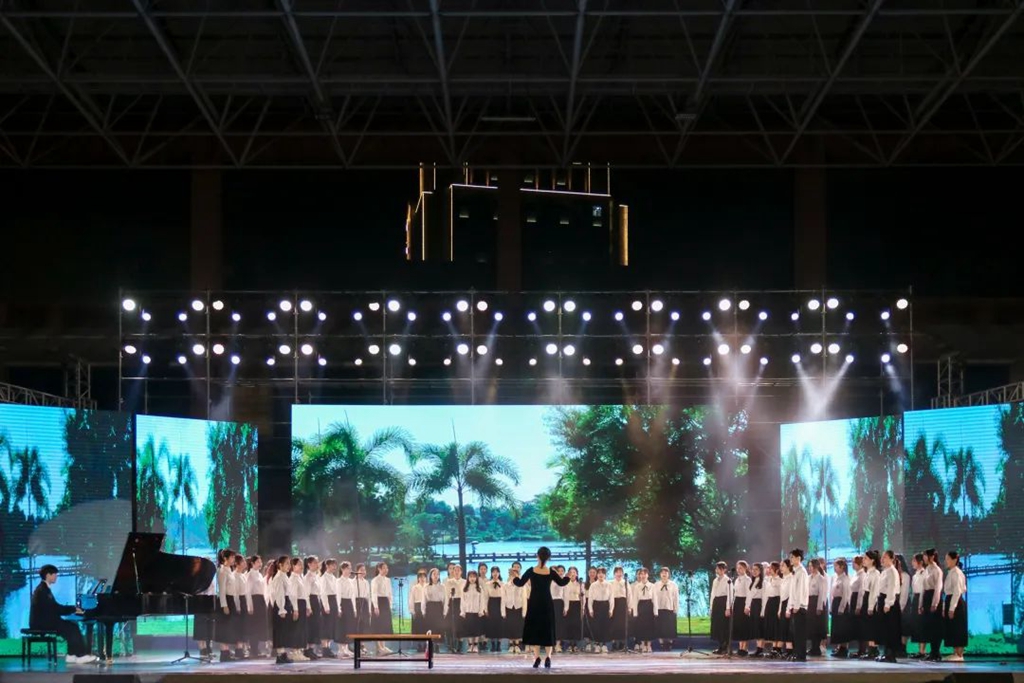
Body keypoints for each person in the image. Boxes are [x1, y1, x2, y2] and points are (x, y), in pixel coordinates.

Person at [513, 546, 571, 668]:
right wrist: (568, 576)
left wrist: (515, 576)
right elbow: (562, 583)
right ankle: (548, 657)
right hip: (546, 603)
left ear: (537, 556)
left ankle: (537, 657)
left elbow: (520, 583)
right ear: (549, 558)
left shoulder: (531, 570)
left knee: (535, 630)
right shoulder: (551, 572)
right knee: (547, 629)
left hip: (534, 603)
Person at [30, 564, 95, 665]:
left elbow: (54, 607)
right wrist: (73, 609)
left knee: (72, 626)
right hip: (42, 622)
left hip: (45, 620)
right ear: (48, 575)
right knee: (72, 627)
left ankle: (71, 655)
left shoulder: (44, 589)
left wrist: (71, 609)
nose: (56, 577)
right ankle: (80, 655)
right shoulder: (42, 590)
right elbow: (55, 608)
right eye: (54, 574)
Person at [876, 550, 902, 663]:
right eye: (882, 557)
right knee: (884, 629)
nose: (882, 559)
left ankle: (891, 654)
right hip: (882, 599)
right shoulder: (885, 571)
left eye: (885, 557)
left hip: (889, 602)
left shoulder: (892, 571)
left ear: (892, 559)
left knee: (890, 628)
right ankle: (886, 653)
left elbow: (891, 589)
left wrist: (888, 604)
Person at [269, 555, 296, 664]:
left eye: (290, 563)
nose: (289, 566)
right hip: (281, 605)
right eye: (287, 563)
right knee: (280, 630)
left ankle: (283, 654)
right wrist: (281, 609)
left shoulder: (284, 576)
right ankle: (280, 655)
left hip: (285, 604)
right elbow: (279, 594)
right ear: (280, 565)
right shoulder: (279, 577)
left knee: (284, 631)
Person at [943, 551, 967, 661]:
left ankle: (959, 654)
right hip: (950, 599)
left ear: (954, 560)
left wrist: (952, 608)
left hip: (956, 601)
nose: (946, 561)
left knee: (958, 627)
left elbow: (957, 591)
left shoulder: (957, 573)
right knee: (952, 627)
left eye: (948, 559)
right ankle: (955, 652)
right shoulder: (951, 572)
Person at [920, 548, 944, 662]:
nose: (924, 558)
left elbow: (938, 588)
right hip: (926, 597)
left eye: (925, 555)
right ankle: (932, 652)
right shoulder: (926, 569)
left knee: (935, 626)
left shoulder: (937, 570)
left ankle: (936, 652)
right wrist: (920, 604)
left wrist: (935, 603)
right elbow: (923, 588)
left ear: (932, 557)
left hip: (934, 597)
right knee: (928, 626)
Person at [246, 555, 271, 659]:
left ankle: (257, 649)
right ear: (252, 563)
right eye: (258, 562)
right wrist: (250, 606)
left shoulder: (259, 574)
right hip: (254, 600)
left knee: (260, 626)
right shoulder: (250, 574)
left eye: (261, 562)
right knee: (254, 626)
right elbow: (248, 591)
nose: (260, 564)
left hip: (261, 601)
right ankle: (253, 650)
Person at [215, 549, 237, 661]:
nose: (233, 559)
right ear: (225, 558)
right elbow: (222, 589)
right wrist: (224, 605)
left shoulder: (229, 570)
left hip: (231, 599)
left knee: (229, 627)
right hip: (225, 600)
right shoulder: (222, 570)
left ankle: (227, 652)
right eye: (232, 557)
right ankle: (224, 653)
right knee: (224, 627)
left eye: (234, 557)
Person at [788, 548, 809, 662]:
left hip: (800, 607)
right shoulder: (795, 571)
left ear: (798, 558)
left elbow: (800, 590)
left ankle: (801, 655)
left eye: (792, 557)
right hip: (794, 606)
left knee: (800, 633)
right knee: (794, 632)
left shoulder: (802, 571)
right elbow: (792, 591)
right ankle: (796, 653)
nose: (790, 559)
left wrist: (796, 606)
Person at [829, 558, 852, 658]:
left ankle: (844, 648)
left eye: (836, 566)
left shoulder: (845, 578)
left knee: (842, 627)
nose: (834, 568)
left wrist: (841, 608)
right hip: (836, 602)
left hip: (841, 603)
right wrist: (831, 607)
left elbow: (846, 595)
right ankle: (839, 647)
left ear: (842, 567)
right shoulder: (836, 578)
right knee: (837, 627)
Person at [630, 567, 656, 653]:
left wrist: (655, 611)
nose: (643, 575)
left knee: (649, 626)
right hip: (641, 605)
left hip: (649, 605)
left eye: (645, 574)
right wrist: (635, 612)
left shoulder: (652, 586)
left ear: (647, 575)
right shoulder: (637, 586)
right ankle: (643, 644)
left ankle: (649, 645)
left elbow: (655, 599)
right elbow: (635, 600)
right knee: (641, 626)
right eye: (641, 574)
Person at [861, 550, 881, 660]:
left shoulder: (876, 574)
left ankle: (874, 650)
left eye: (866, 558)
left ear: (872, 560)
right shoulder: (867, 573)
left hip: (871, 600)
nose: (863, 560)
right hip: (866, 599)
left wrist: (871, 606)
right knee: (868, 626)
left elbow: (874, 591)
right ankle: (870, 649)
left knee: (872, 626)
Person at [370, 562, 394, 655]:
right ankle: (379, 647)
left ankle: (383, 646)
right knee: (378, 625)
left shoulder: (388, 580)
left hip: (385, 602)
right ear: (379, 569)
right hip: (378, 602)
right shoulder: (375, 580)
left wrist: (390, 605)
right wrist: (376, 606)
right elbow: (374, 593)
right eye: (384, 568)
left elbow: (390, 593)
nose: (386, 570)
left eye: (387, 568)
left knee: (384, 625)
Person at [503, 566, 527, 654]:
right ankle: (510, 645)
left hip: (518, 607)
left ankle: (517, 645)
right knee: (510, 626)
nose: (513, 575)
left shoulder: (522, 585)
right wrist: (503, 612)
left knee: (518, 627)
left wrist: (524, 611)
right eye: (511, 574)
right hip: (509, 607)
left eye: (515, 574)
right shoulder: (505, 585)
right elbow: (503, 599)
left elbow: (524, 598)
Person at [460, 570, 486, 653]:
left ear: (476, 578)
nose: (472, 578)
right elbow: (462, 601)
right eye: (470, 577)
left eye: (474, 577)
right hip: (468, 611)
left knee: (476, 630)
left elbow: (482, 601)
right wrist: (463, 611)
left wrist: (481, 611)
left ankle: (475, 645)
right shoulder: (465, 588)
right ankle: (470, 645)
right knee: (469, 630)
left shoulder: (479, 588)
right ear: (468, 578)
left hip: (477, 612)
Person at [587, 567, 612, 654]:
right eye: (599, 573)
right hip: (596, 605)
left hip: (605, 605)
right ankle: (597, 645)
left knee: (605, 625)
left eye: (602, 573)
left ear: (605, 575)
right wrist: (590, 609)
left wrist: (611, 609)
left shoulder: (609, 584)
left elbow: (611, 598)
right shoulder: (593, 585)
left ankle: (604, 645)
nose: (601, 575)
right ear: (597, 575)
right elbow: (590, 598)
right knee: (596, 626)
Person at [709, 561, 732, 655]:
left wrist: (728, 608)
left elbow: (730, 595)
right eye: (717, 568)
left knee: (723, 625)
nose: (717, 570)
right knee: (717, 625)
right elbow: (712, 594)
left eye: (719, 569)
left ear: (724, 570)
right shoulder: (715, 580)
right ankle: (720, 646)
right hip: (716, 602)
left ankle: (725, 647)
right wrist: (711, 607)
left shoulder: (728, 580)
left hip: (723, 602)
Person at [654, 567, 678, 652]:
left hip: (669, 609)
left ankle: (669, 643)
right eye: (662, 573)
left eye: (666, 573)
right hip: (659, 609)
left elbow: (676, 598)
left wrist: (675, 608)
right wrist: (655, 609)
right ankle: (662, 644)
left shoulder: (673, 585)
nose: (664, 574)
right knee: (660, 627)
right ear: (660, 574)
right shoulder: (656, 585)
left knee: (669, 628)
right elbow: (654, 598)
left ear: (668, 574)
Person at [807, 558, 829, 656]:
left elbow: (822, 594)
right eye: (809, 566)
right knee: (811, 626)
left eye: (811, 566)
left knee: (817, 626)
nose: (809, 568)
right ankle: (813, 647)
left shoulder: (821, 578)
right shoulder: (808, 577)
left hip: (817, 602)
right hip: (809, 602)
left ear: (816, 566)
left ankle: (816, 648)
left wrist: (819, 607)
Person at [336, 561, 357, 659]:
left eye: (350, 568)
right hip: (343, 603)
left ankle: (346, 648)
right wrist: (339, 608)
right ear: (342, 569)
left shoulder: (351, 581)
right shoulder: (339, 581)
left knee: (349, 626)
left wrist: (354, 609)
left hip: (349, 604)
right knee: (342, 626)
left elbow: (353, 596)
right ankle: (341, 649)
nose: (349, 570)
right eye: (348, 568)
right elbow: (338, 595)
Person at [318, 559, 339, 658]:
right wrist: (326, 606)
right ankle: (324, 648)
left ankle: (328, 648)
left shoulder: (333, 577)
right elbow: (323, 593)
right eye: (332, 565)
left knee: (331, 625)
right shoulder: (323, 578)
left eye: (335, 565)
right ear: (327, 566)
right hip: (327, 601)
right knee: (326, 626)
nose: (334, 567)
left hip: (334, 600)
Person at [561, 567, 583, 652]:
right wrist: (565, 608)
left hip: (577, 604)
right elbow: (564, 596)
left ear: (577, 574)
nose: (572, 574)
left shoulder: (580, 584)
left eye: (574, 572)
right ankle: (569, 645)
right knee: (568, 624)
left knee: (576, 624)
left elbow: (582, 597)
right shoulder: (565, 584)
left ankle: (576, 645)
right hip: (569, 604)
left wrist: (582, 607)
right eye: (571, 572)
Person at [909, 554, 927, 659]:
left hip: (922, 597)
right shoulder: (915, 575)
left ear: (920, 562)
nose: (913, 563)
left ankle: (922, 651)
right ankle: (919, 650)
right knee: (916, 624)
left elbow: (923, 589)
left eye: (914, 561)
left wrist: (921, 604)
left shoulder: (924, 573)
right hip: (915, 598)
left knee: (922, 624)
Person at [761, 562, 781, 658]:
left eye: (771, 568)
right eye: (768, 568)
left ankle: (778, 649)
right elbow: (765, 594)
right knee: (771, 626)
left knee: (776, 626)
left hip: (776, 602)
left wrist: (780, 609)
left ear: (776, 570)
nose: (769, 570)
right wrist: (764, 608)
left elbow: (781, 595)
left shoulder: (780, 580)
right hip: (769, 602)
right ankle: (773, 648)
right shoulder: (768, 580)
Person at [732, 561, 751, 656]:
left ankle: (745, 648)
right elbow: (735, 593)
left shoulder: (748, 580)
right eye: (738, 568)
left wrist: (747, 606)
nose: (738, 570)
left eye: (741, 568)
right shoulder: (736, 580)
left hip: (744, 601)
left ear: (745, 569)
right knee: (739, 625)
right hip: (737, 602)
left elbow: (749, 594)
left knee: (744, 625)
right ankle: (740, 647)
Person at [353, 563, 372, 653]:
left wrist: (369, 609)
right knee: (356, 624)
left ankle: (362, 645)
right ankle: (356, 645)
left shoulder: (366, 582)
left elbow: (368, 596)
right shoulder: (353, 582)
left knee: (364, 625)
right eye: (361, 570)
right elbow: (352, 595)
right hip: (356, 602)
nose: (363, 572)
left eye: (364, 570)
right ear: (357, 571)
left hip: (364, 603)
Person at [776, 559, 793, 659]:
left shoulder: (791, 578)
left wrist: (787, 609)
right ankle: (783, 650)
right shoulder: (783, 579)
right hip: (783, 604)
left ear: (788, 567)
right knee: (783, 628)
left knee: (788, 628)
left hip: (789, 605)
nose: (781, 568)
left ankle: (790, 651)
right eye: (780, 566)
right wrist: (779, 609)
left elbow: (791, 595)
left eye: (783, 566)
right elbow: (781, 596)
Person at [485, 567, 504, 652]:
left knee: (500, 625)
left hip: (500, 603)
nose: (495, 573)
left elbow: (504, 597)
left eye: (497, 572)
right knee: (491, 625)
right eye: (493, 572)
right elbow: (486, 597)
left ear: (499, 573)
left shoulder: (503, 584)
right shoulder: (487, 584)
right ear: (491, 573)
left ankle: (499, 645)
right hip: (491, 604)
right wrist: (485, 609)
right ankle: (492, 645)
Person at [746, 562, 764, 656]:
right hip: (753, 605)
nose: (754, 571)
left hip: (759, 605)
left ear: (761, 571)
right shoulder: (753, 582)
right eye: (753, 569)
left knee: (759, 627)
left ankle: (760, 649)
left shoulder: (763, 582)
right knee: (755, 628)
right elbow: (749, 596)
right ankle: (758, 649)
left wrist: (762, 610)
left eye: (756, 569)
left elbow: (764, 598)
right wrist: (747, 606)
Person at [896, 554, 912, 656]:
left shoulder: (905, 576)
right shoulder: (895, 574)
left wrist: (901, 606)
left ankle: (903, 648)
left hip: (903, 604)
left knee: (904, 627)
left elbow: (905, 593)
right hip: (895, 602)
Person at [609, 566, 628, 651]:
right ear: (614, 574)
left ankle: (622, 643)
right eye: (617, 572)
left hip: (623, 603)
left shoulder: (625, 582)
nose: (619, 574)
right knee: (614, 623)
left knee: (622, 623)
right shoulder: (611, 583)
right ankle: (614, 643)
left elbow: (629, 595)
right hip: (614, 603)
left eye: (620, 572)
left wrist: (630, 607)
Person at [425, 568, 446, 643]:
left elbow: (445, 600)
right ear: (430, 576)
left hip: (439, 607)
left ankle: (438, 645)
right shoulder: (426, 586)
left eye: (438, 574)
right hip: (430, 607)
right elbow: (424, 600)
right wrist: (423, 611)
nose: (436, 576)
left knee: (439, 627)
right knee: (431, 627)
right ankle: (431, 643)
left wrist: (445, 611)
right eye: (434, 574)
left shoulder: (442, 586)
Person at [849, 555, 865, 657]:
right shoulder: (855, 574)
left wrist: (858, 606)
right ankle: (860, 649)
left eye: (854, 563)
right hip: (853, 599)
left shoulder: (862, 575)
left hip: (858, 600)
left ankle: (862, 650)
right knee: (856, 626)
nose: (852, 564)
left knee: (860, 626)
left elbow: (861, 592)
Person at [409, 569, 428, 642]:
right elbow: (411, 600)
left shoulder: (428, 586)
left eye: (424, 577)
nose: (422, 579)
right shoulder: (415, 587)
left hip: (426, 607)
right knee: (418, 626)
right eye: (420, 577)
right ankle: (419, 643)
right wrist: (412, 611)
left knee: (426, 626)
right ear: (418, 579)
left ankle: (426, 643)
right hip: (417, 607)